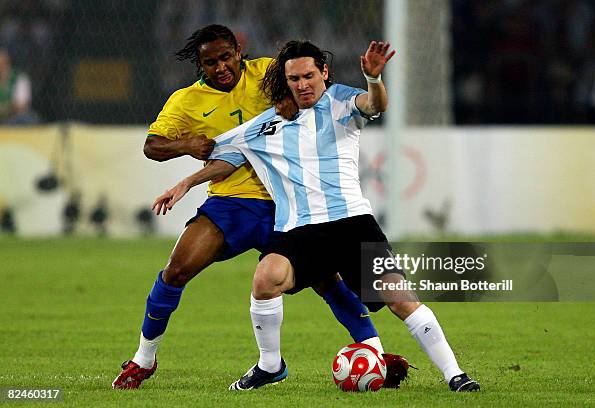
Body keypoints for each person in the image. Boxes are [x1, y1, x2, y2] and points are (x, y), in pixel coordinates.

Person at [154, 40, 481, 392]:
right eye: (293, 78)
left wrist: (373, 78)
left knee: (399, 297)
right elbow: (229, 157)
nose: (302, 84)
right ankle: (270, 365)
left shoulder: (341, 100)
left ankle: (455, 374)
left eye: (309, 76)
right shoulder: (266, 124)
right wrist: (186, 182)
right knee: (266, 278)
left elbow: (375, 104)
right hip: (299, 231)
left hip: (352, 225)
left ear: (323, 72)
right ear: (285, 81)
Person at [113, 25, 407, 390]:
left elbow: (314, 94)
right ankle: (144, 358)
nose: (220, 67)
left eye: (225, 57)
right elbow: (152, 146)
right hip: (229, 203)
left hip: (284, 203)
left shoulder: (269, 72)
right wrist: (187, 144)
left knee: (327, 280)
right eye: (210, 62)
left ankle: (372, 351)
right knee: (176, 269)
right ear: (200, 65)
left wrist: (288, 100)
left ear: (239, 52)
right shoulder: (185, 100)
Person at [0, 46, 38, 125]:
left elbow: (21, 106)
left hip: (14, 119)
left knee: (27, 118)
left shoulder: (20, 78)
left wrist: (5, 108)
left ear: (7, 63)